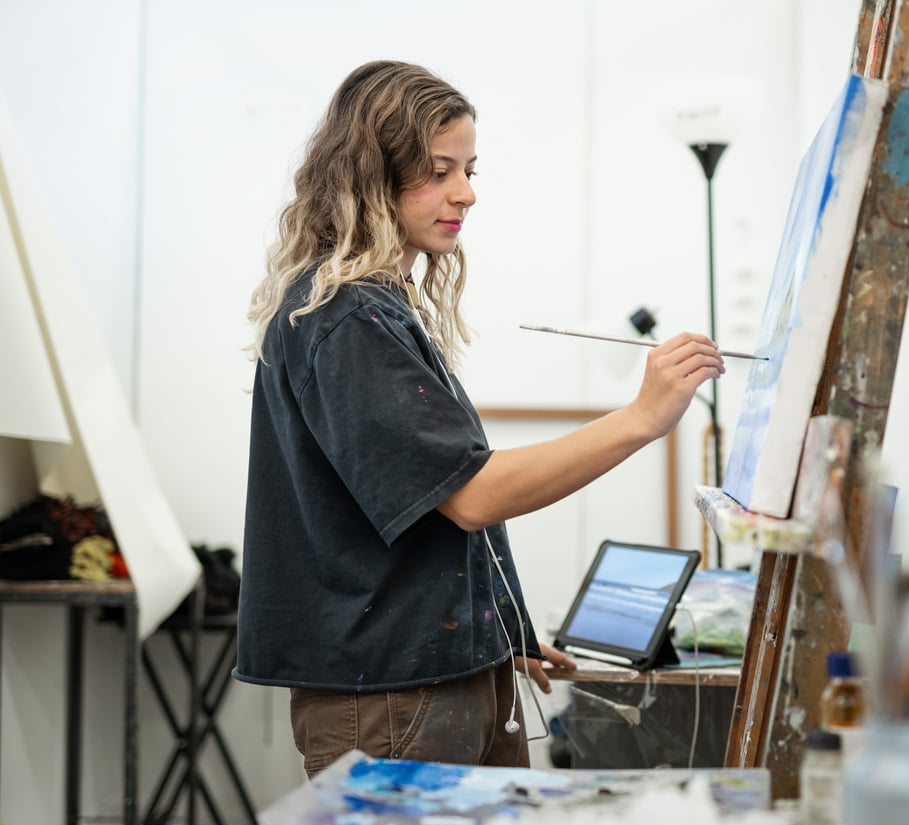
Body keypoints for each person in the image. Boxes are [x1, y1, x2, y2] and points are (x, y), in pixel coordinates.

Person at [234, 60, 725, 778]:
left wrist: (502, 630)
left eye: (468, 169)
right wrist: (642, 418)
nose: (464, 192)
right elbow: (474, 495)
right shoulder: (346, 319)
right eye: (439, 171)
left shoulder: (380, 309)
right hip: (394, 695)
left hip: (438, 675)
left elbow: (430, 502)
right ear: (371, 175)